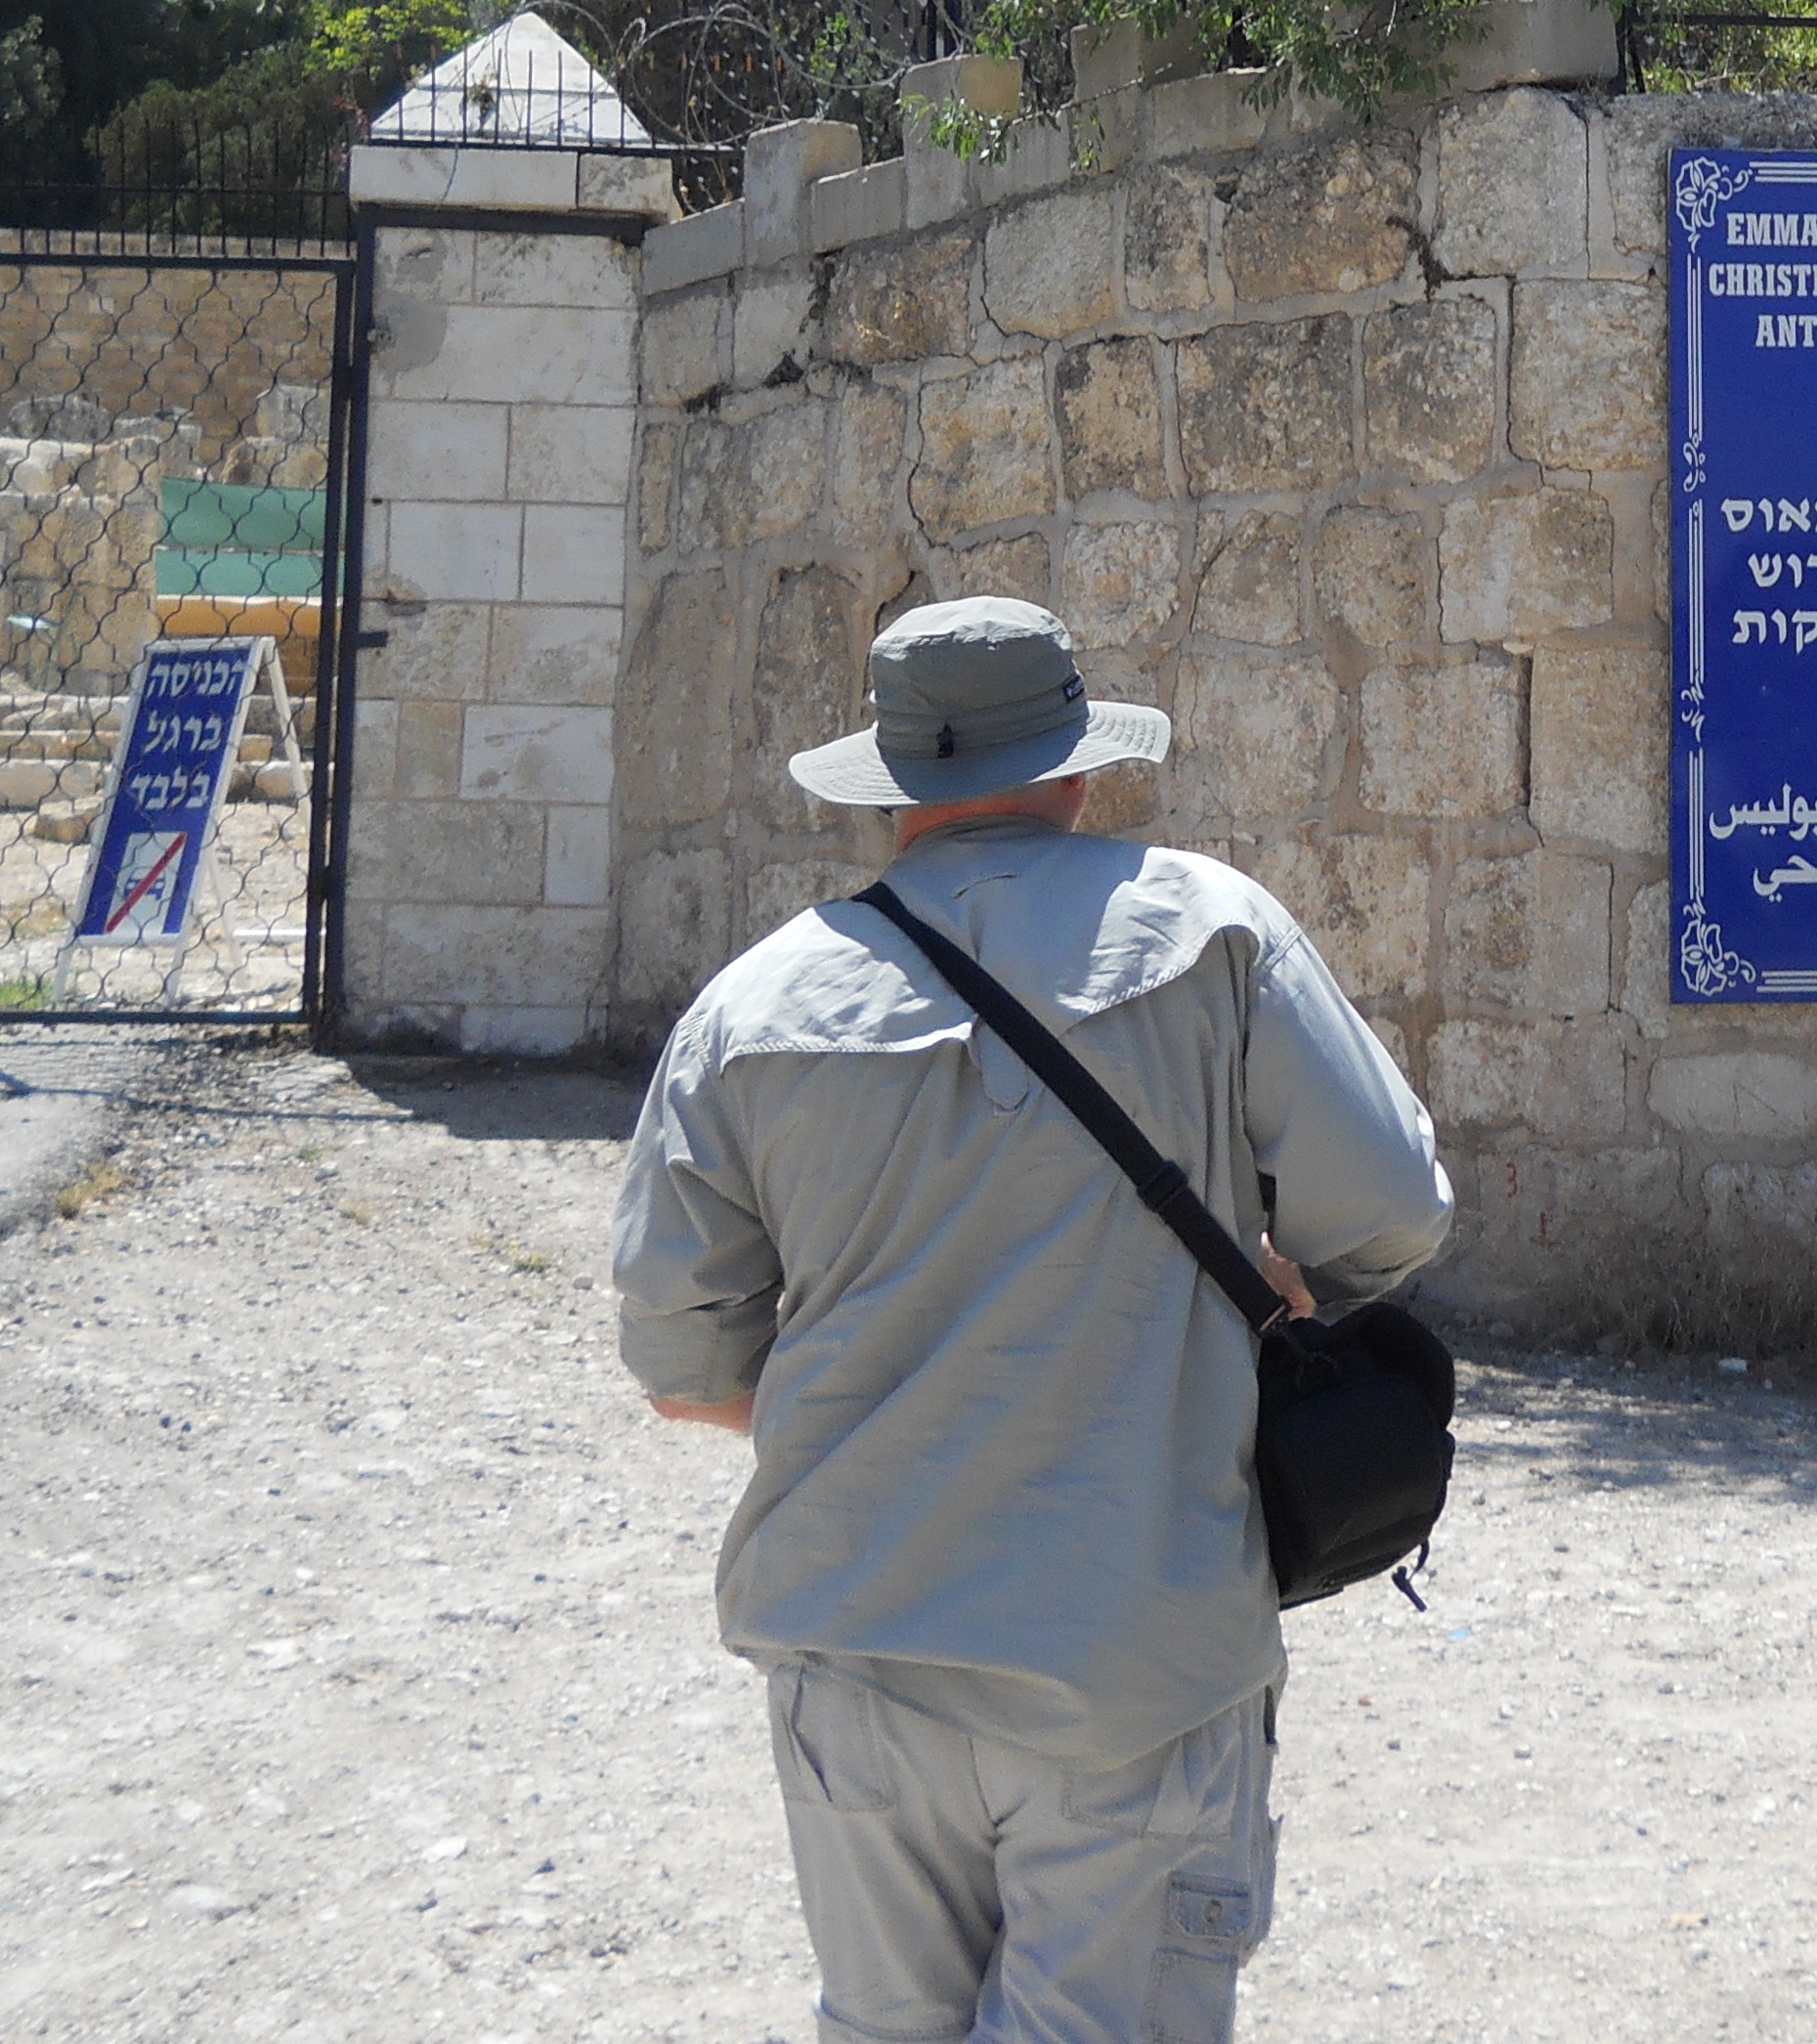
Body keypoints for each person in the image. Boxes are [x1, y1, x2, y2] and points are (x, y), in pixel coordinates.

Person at [612, 595, 1452, 2044]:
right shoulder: (1214, 930)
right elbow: (1392, 1212)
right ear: (1076, 766)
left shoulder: (746, 1008)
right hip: (1135, 1655)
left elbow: (682, 1368)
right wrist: (1268, 1288)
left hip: (855, 1649)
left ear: (892, 786)